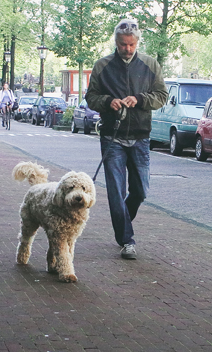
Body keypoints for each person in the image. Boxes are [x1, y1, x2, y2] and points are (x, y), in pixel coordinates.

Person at [85, 18, 168, 259]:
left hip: (140, 136)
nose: (127, 49)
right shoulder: (102, 66)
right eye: (123, 44)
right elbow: (91, 97)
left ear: (137, 42)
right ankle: (126, 240)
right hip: (113, 136)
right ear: (116, 41)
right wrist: (107, 102)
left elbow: (161, 96)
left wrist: (140, 99)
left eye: (131, 44)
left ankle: (123, 222)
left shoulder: (150, 65)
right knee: (115, 191)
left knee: (141, 191)